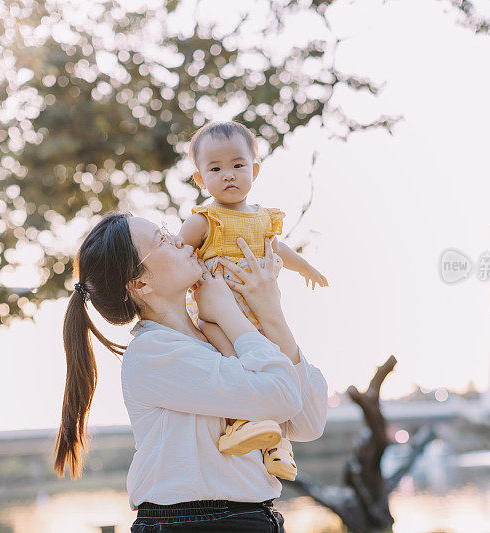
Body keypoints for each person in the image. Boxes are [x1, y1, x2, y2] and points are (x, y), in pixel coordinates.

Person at [54, 212, 328, 532]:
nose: (180, 240)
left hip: (251, 517)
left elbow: (307, 422)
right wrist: (228, 312)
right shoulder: (153, 353)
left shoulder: (220, 334)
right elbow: (280, 396)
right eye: (162, 239)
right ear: (141, 283)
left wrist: (271, 314)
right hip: (191, 522)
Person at [179, 121, 328, 480]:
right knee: (233, 364)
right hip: (216, 315)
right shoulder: (204, 220)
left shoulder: (263, 219)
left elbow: (278, 249)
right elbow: (176, 256)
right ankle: (241, 424)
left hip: (257, 317)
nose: (228, 175)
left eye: (237, 165)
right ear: (200, 180)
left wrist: (305, 267)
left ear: (254, 170)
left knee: (268, 369)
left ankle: (276, 444)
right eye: (215, 169)